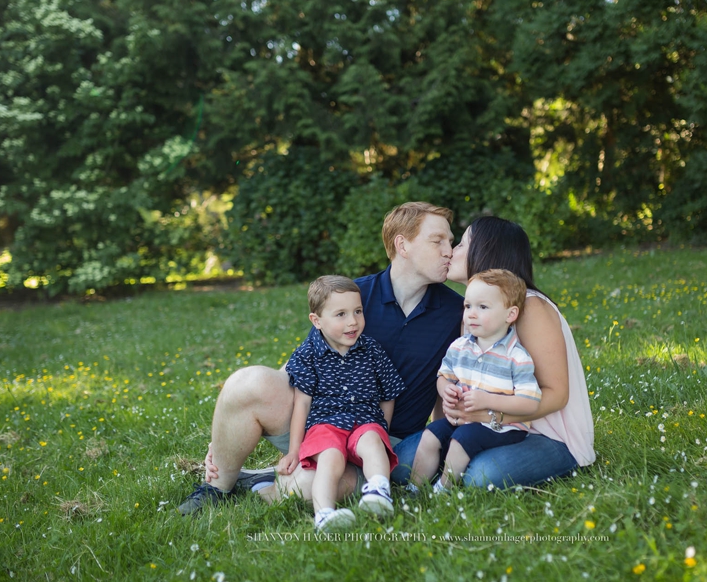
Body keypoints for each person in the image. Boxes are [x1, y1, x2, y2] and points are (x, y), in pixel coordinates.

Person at [179, 202, 463, 515]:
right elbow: (301, 368)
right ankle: (216, 488)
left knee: (307, 488)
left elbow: (447, 386)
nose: (449, 250)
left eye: (450, 241)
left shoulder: (456, 313)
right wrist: (221, 445)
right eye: (438, 241)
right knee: (248, 383)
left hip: (384, 440)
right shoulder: (355, 297)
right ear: (402, 244)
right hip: (323, 422)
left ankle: (265, 484)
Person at [391, 215, 596, 487]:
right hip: (479, 427)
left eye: (462, 245)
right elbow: (458, 377)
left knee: (480, 475)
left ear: (485, 252)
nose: (452, 252)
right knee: (401, 462)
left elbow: (556, 395)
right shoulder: (472, 314)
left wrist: (487, 415)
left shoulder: (530, 307)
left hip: (546, 435)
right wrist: (451, 416)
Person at [280, 275, 405, 532]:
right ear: (317, 321)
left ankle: (379, 492)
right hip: (326, 426)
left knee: (372, 441)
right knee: (331, 457)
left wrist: (382, 430)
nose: (353, 322)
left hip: (365, 422)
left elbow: (388, 394)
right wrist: (294, 450)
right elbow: (301, 404)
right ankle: (325, 514)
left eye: (358, 311)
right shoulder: (307, 354)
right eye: (341, 314)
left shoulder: (372, 350)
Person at [409, 269, 541, 493]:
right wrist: (446, 390)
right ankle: (414, 487)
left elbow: (529, 403)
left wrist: (487, 400)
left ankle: (444, 488)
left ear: (510, 314)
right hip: (464, 419)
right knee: (431, 434)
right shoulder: (460, 346)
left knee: (462, 438)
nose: (471, 313)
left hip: (504, 427)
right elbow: (444, 376)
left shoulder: (517, 357)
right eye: (468, 306)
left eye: (483, 307)